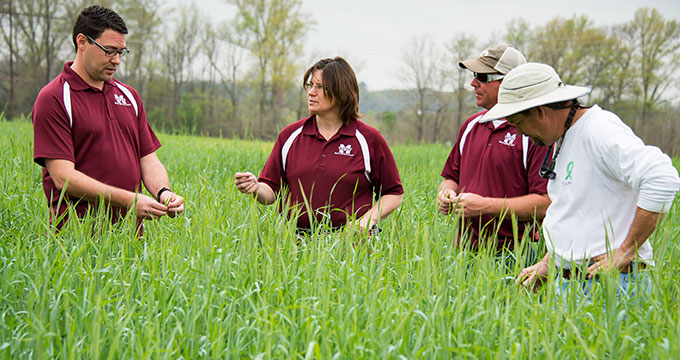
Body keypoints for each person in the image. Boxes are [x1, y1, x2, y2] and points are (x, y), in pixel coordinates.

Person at [477, 62, 680, 295]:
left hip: (609, 286)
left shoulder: (598, 129)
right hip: (574, 284)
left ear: (540, 111)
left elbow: (661, 177)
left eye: (519, 124)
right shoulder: (563, 136)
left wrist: (627, 249)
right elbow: (575, 208)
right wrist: (549, 261)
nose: (520, 133)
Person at [32, 5, 184, 232]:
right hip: (76, 241)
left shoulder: (129, 96)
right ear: (82, 42)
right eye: (109, 50)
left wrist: (164, 192)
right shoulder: (54, 97)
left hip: (130, 242)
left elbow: (148, 159)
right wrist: (130, 200)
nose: (117, 60)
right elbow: (63, 178)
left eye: (121, 52)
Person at [234, 56, 403, 235]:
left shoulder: (368, 139)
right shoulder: (290, 135)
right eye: (310, 85)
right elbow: (270, 191)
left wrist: (369, 220)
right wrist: (255, 187)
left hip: (351, 247)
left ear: (341, 92)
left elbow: (393, 193)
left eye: (320, 87)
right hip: (293, 246)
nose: (311, 92)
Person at [438, 45, 551, 253]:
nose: (473, 83)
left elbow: (544, 203)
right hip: (462, 252)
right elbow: (451, 177)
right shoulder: (471, 125)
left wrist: (485, 206)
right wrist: (446, 193)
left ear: (508, 82)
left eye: (482, 77)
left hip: (513, 255)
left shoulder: (534, 133)